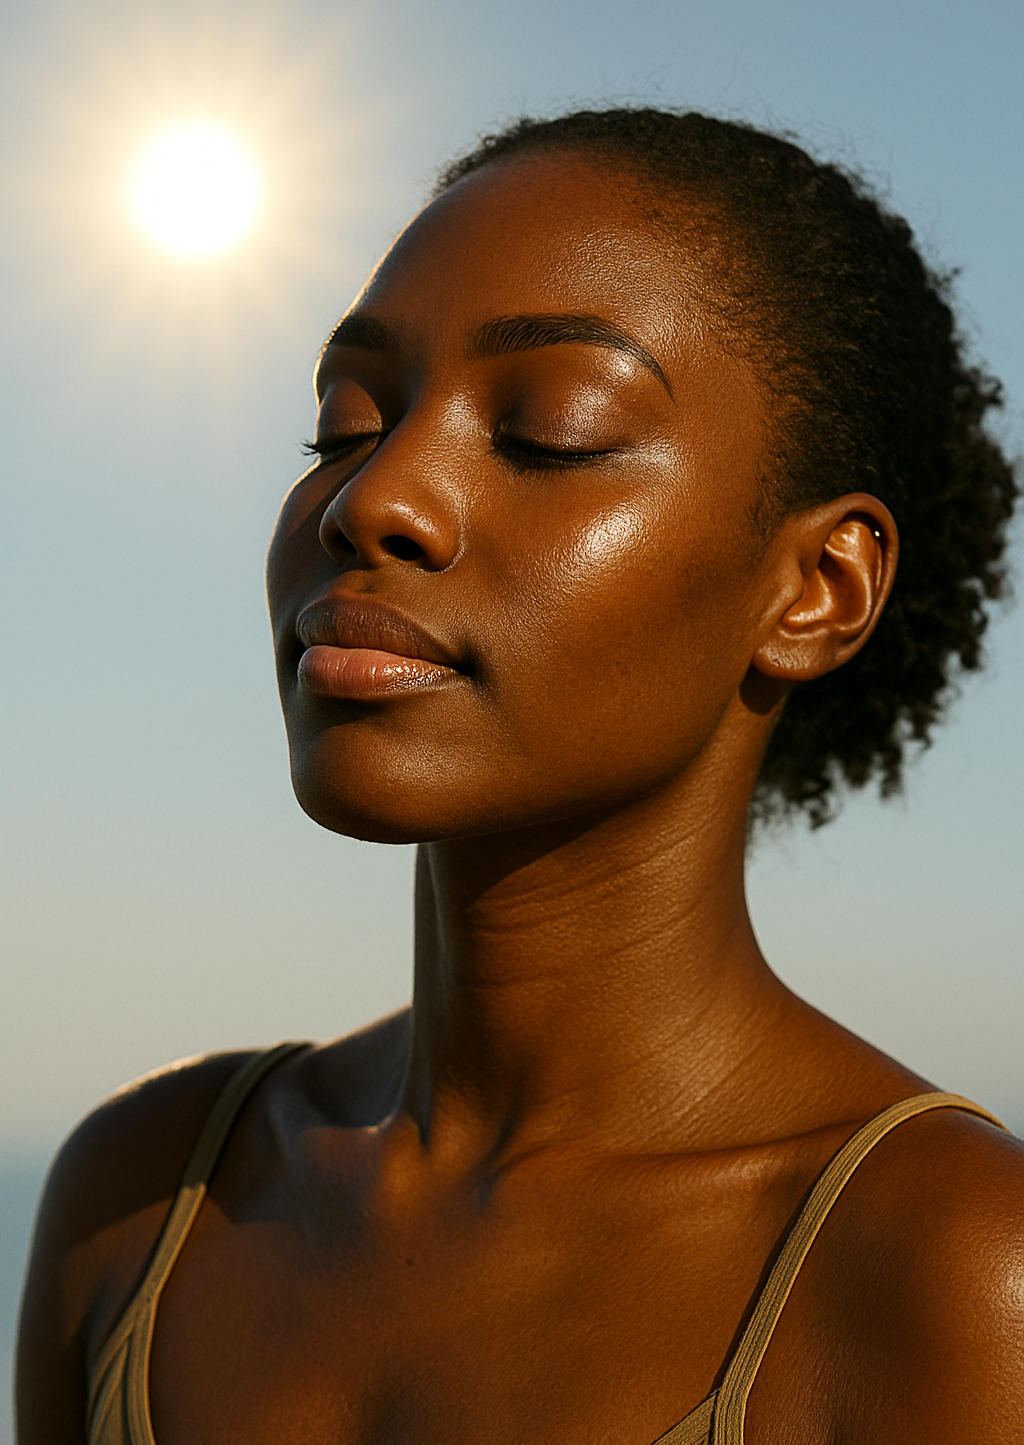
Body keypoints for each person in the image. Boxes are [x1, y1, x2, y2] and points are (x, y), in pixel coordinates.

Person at [16, 107, 1023, 1445]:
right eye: (343, 427)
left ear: (816, 590)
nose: (371, 500)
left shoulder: (952, 1273)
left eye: (550, 432)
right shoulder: (143, 1203)